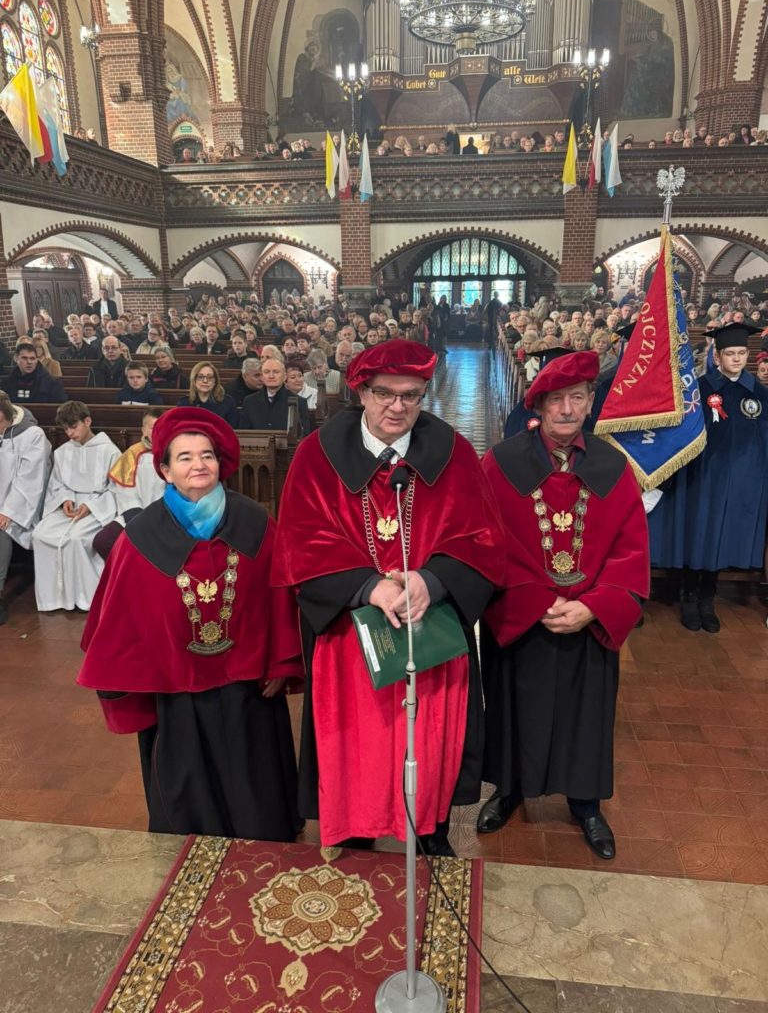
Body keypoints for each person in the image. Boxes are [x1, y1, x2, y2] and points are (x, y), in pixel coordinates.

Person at [271, 341, 505, 854]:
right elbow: (301, 542)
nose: (397, 407)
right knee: (359, 739)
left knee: (428, 738)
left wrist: (432, 580)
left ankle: (429, 828)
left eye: (411, 395)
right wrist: (368, 586)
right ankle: (356, 829)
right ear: (361, 391)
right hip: (351, 633)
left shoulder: (453, 453)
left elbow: (483, 538)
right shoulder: (316, 454)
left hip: (430, 628)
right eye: (384, 393)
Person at [77, 408, 303, 840]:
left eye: (207, 455)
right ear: (164, 469)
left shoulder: (256, 523)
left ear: (221, 463)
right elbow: (118, 620)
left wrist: (279, 662)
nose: (198, 465)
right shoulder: (139, 537)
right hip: (175, 692)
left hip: (248, 689)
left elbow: (281, 599)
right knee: (188, 787)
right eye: (184, 457)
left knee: (255, 779)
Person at [478, 352, 649, 860]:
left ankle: (586, 804)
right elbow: (487, 543)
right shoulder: (500, 463)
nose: (568, 409)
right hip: (523, 616)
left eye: (578, 398)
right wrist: (537, 601)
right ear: (539, 405)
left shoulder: (613, 466)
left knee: (586, 715)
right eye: (557, 400)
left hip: (588, 620)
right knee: (514, 707)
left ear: (591, 402)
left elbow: (631, 549)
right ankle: (508, 790)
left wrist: (595, 607)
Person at [679, 322, 768, 632]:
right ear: (717, 356)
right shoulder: (701, 388)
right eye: (730, 353)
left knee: (722, 537)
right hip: (705, 476)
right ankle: (689, 595)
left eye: (742, 353)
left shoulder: (757, 392)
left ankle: (708, 597)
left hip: (740, 479)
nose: (737, 359)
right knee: (700, 533)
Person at [32, 402, 120, 612]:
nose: (70, 433)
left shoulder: (110, 451)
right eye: (65, 429)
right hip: (69, 507)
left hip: (97, 507)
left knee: (76, 538)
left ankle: (86, 599)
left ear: (87, 421)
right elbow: (57, 484)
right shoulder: (62, 452)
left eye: (74, 427)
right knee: (40, 535)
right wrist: (65, 498)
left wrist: (90, 506)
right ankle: (53, 599)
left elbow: (115, 489)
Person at [0, 392, 51, 625]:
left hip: (20, 504)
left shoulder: (32, 435)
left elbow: (30, 481)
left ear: (8, 416)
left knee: (1, 531)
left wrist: (8, 511)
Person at [240, 357, 311, 436]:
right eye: (266, 372)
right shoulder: (249, 402)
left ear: (284, 377)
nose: (271, 376)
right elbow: (244, 435)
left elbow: (304, 436)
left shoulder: (299, 402)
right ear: (262, 377)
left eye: (276, 372)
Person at [177, 361, 238, 427]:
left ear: (215, 381)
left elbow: (233, 429)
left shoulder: (227, 402)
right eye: (200, 377)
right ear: (194, 380)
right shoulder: (184, 403)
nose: (205, 381)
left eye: (210, 377)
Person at [2, 342, 67, 404]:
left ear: (36, 360)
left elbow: (60, 405)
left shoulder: (52, 383)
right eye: (24, 358)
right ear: (16, 358)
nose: (29, 362)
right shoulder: (7, 383)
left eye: (32, 358)